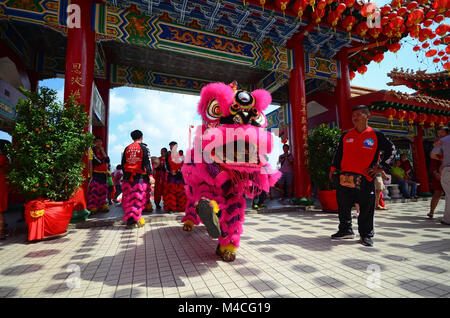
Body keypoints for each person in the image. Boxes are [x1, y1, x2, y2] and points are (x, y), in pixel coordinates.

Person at [329, 105, 396, 247]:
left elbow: (392, 150)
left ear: (368, 116)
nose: (355, 117)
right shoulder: (346, 135)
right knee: (343, 205)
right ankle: (345, 230)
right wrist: (333, 168)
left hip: (366, 178)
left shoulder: (376, 135)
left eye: (359, 114)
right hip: (345, 177)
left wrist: (382, 167)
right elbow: (338, 153)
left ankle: (366, 235)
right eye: (354, 114)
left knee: (366, 207)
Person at [121, 130, 152, 229]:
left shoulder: (127, 148)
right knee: (137, 199)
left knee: (129, 199)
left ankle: (131, 220)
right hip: (138, 178)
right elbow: (147, 163)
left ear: (132, 138)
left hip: (127, 178)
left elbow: (123, 164)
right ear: (142, 137)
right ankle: (134, 220)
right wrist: (150, 176)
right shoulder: (144, 148)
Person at [430, 127, 450, 225]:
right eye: (438, 133)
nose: (439, 135)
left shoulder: (442, 141)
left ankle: (447, 219)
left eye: (441, 132)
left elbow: (433, 155)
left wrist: (442, 160)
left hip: (446, 169)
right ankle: (432, 211)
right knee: (438, 193)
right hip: (442, 170)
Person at [87, 136, 110, 214]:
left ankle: (102, 205)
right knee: (94, 191)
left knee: (103, 191)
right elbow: (97, 162)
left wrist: (103, 151)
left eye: (100, 141)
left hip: (103, 174)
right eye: (97, 141)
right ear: (94, 142)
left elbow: (108, 161)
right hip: (96, 173)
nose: (99, 143)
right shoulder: (91, 150)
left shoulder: (103, 150)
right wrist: (90, 175)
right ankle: (93, 207)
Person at [164, 141, 187, 212]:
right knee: (170, 192)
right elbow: (166, 165)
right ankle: (171, 208)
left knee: (181, 192)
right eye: (170, 146)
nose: (171, 147)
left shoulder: (181, 155)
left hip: (179, 176)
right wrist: (170, 171)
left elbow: (184, 165)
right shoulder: (168, 155)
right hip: (171, 176)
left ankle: (181, 207)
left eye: (173, 146)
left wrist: (179, 170)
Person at [0, 140, 11, 240]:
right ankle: (2, 230)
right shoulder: (5, 159)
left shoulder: (2, 158)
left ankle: (1, 232)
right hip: (3, 186)